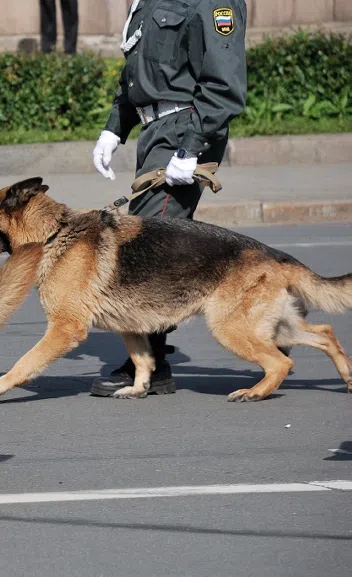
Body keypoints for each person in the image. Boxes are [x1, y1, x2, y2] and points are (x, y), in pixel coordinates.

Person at [89, 0, 247, 397]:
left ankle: (151, 364)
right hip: (154, 129)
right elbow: (138, 73)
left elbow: (224, 82)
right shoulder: (146, 2)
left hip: (185, 128)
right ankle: (277, 323)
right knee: (156, 241)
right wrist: (116, 126)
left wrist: (193, 145)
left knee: (148, 246)